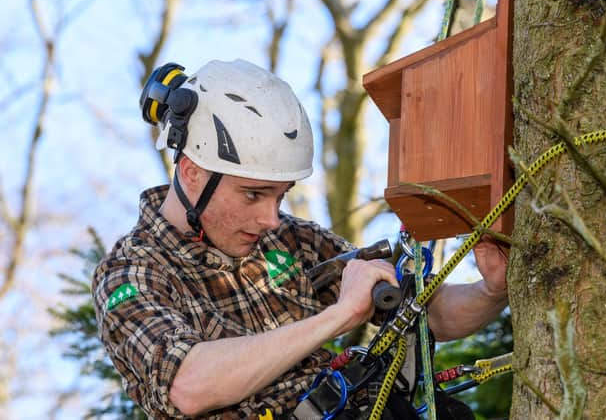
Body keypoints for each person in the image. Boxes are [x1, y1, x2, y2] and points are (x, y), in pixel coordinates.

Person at [92, 59, 508, 419]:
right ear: (191, 173)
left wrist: (492, 290)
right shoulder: (131, 274)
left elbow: (426, 314)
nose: (270, 218)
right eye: (253, 194)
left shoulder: (292, 241)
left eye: (280, 195)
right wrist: (338, 316)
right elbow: (188, 386)